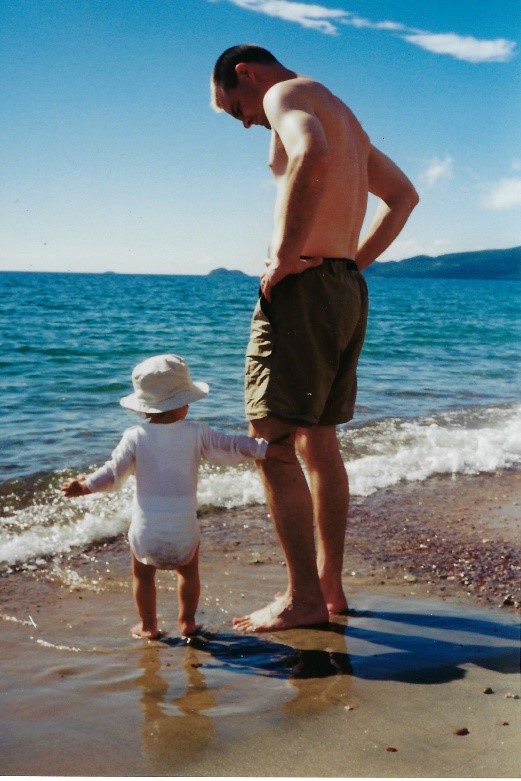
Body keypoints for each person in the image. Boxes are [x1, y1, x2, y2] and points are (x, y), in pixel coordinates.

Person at [211, 45, 419, 632]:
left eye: (235, 108)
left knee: (272, 442)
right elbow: (404, 197)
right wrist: (351, 263)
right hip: (344, 290)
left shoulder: (285, 94)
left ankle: (302, 597)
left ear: (246, 74)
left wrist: (284, 256)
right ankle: (329, 587)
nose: (246, 121)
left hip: (307, 291)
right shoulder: (340, 111)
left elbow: (310, 152)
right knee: (318, 445)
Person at [61, 353, 291, 640]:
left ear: (145, 407)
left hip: (146, 532)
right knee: (188, 573)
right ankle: (188, 623)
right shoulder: (197, 433)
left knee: (143, 577)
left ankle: (148, 626)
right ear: (182, 403)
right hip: (184, 530)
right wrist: (267, 449)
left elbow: (112, 474)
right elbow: (233, 445)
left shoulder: (135, 436)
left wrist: (83, 486)